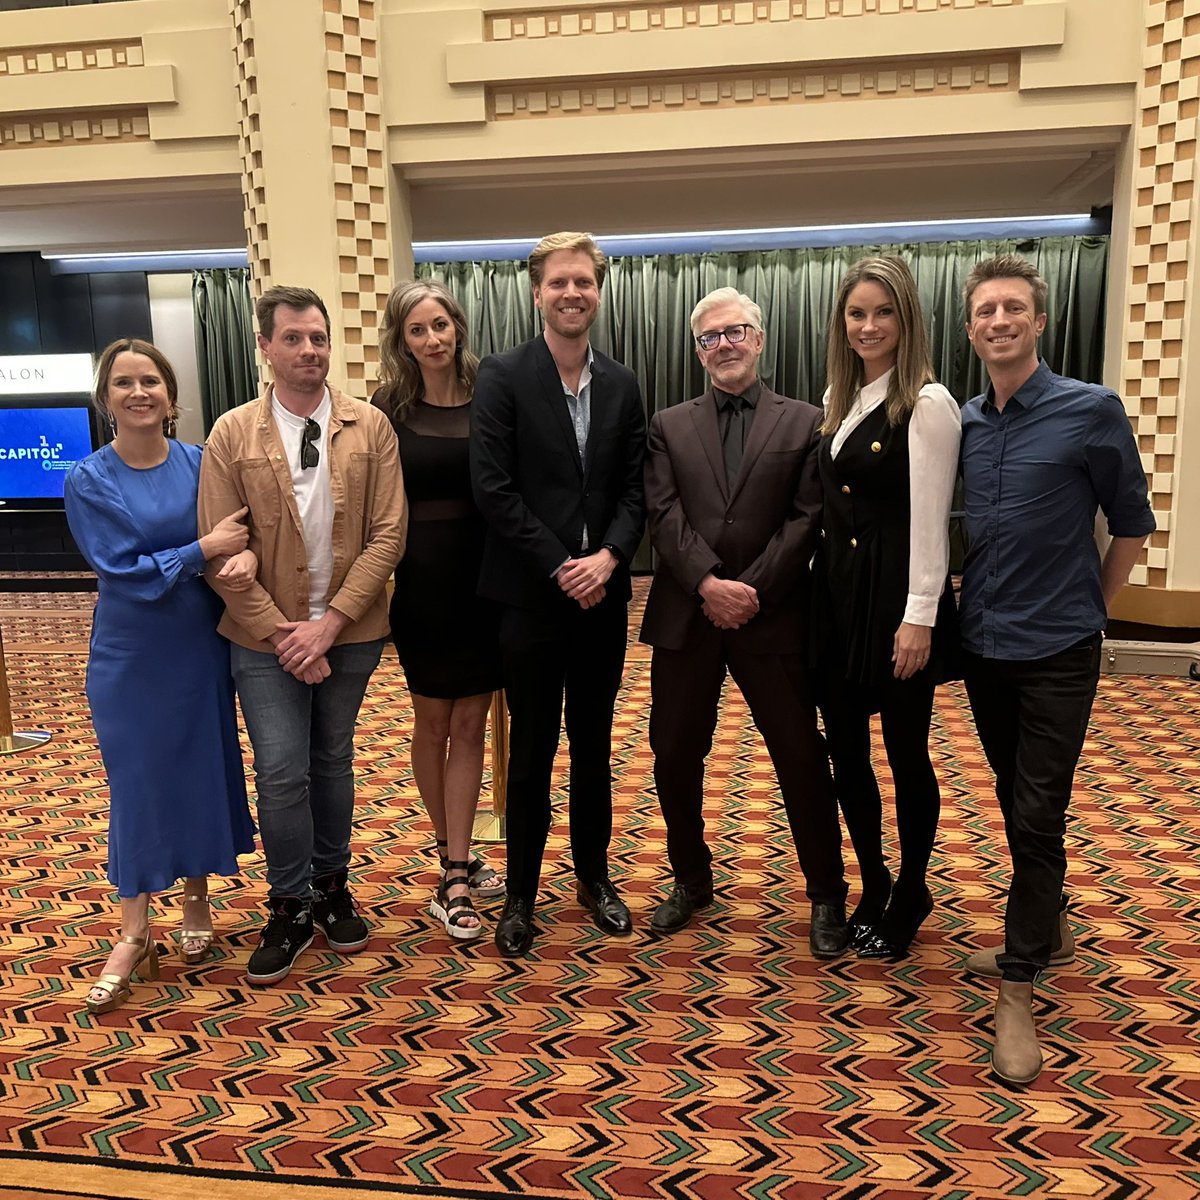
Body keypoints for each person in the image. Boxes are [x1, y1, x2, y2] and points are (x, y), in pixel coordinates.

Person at [958, 254, 1154, 1084]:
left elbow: (1132, 524)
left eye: (1013, 309)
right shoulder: (961, 421)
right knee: (1014, 796)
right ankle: (1050, 923)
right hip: (984, 647)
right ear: (970, 330)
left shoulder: (1090, 410)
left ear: (1039, 321)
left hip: (1061, 649)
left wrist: (1094, 611)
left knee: (1038, 812)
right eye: (984, 312)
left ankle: (1015, 984)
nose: (998, 321)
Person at [198, 285, 406, 986]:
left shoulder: (370, 425)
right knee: (282, 770)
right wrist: (289, 636)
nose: (309, 350)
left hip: (349, 632)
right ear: (265, 347)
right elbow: (223, 551)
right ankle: (288, 902)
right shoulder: (231, 433)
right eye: (293, 338)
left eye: (318, 337)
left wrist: (329, 627)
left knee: (333, 761)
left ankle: (331, 884)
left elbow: (388, 535)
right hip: (264, 640)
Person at [640, 286, 849, 958]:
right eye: (710, 337)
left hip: (774, 616)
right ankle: (691, 880)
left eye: (735, 332)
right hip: (688, 616)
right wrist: (706, 582)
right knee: (673, 755)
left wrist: (749, 589)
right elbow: (663, 513)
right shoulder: (668, 424)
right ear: (697, 351)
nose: (724, 345)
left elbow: (808, 517)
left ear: (759, 338)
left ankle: (825, 893)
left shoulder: (806, 420)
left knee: (800, 757)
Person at [66, 338, 257, 1014]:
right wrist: (204, 550)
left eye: (151, 380)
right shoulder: (89, 478)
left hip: (199, 646)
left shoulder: (203, 464)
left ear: (171, 397)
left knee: (200, 766)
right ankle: (133, 931)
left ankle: (198, 899)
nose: (139, 391)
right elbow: (124, 569)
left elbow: (243, 536)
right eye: (124, 382)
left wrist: (239, 561)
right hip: (132, 654)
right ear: (105, 397)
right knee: (140, 783)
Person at [470, 231, 646, 958]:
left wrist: (608, 558)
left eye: (584, 281)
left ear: (598, 292)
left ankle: (594, 879)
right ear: (537, 292)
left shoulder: (625, 382)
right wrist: (560, 564)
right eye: (559, 282)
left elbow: (637, 489)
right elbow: (494, 489)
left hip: (601, 596)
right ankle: (519, 896)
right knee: (533, 752)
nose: (572, 293)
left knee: (595, 749)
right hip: (531, 598)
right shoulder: (503, 377)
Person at [811, 256, 962, 960]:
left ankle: (912, 890)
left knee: (906, 756)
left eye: (882, 313)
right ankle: (871, 880)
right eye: (856, 314)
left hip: (895, 603)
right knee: (846, 753)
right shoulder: (841, 402)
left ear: (907, 321)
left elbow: (932, 522)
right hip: (838, 601)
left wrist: (920, 615)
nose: (868, 326)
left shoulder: (927, 402)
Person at [373, 279, 504, 941]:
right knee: (432, 723)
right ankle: (451, 857)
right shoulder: (387, 407)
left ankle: (458, 860)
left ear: (458, 326)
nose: (431, 339)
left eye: (440, 325)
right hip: (420, 581)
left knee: (472, 723)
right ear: (403, 341)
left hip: (485, 580)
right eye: (416, 330)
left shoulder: (492, 394)